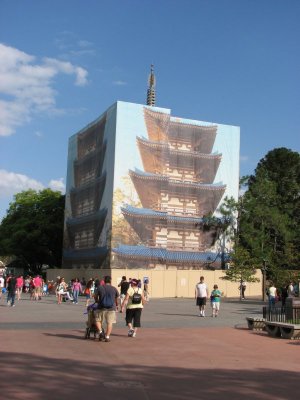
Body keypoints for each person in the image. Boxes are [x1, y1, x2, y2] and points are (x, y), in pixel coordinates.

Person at [93, 275, 119, 342]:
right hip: (111, 308)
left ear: (104, 281)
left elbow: (95, 296)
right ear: (110, 280)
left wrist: (97, 301)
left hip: (101, 307)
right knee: (110, 323)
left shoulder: (100, 287)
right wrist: (117, 305)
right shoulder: (114, 288)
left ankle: (101, 332)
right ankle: (107, 337)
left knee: (97, 320)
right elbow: (116, 298)